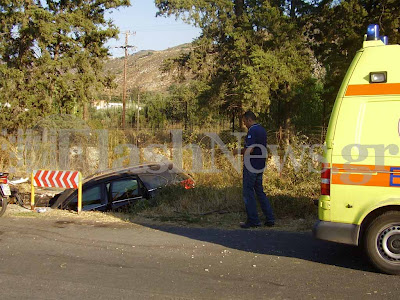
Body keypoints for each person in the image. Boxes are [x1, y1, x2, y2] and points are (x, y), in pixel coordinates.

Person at [233, 111, 275, 228]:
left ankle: (253, 220)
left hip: (251, 165)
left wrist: (240, 153)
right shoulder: (262, 130)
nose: (244, 124)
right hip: (260, 165)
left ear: (249, 120)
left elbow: (250, 150)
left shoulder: (252, 131)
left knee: (248, 192)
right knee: (259, 191)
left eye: (245, 121)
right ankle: (270, 218)